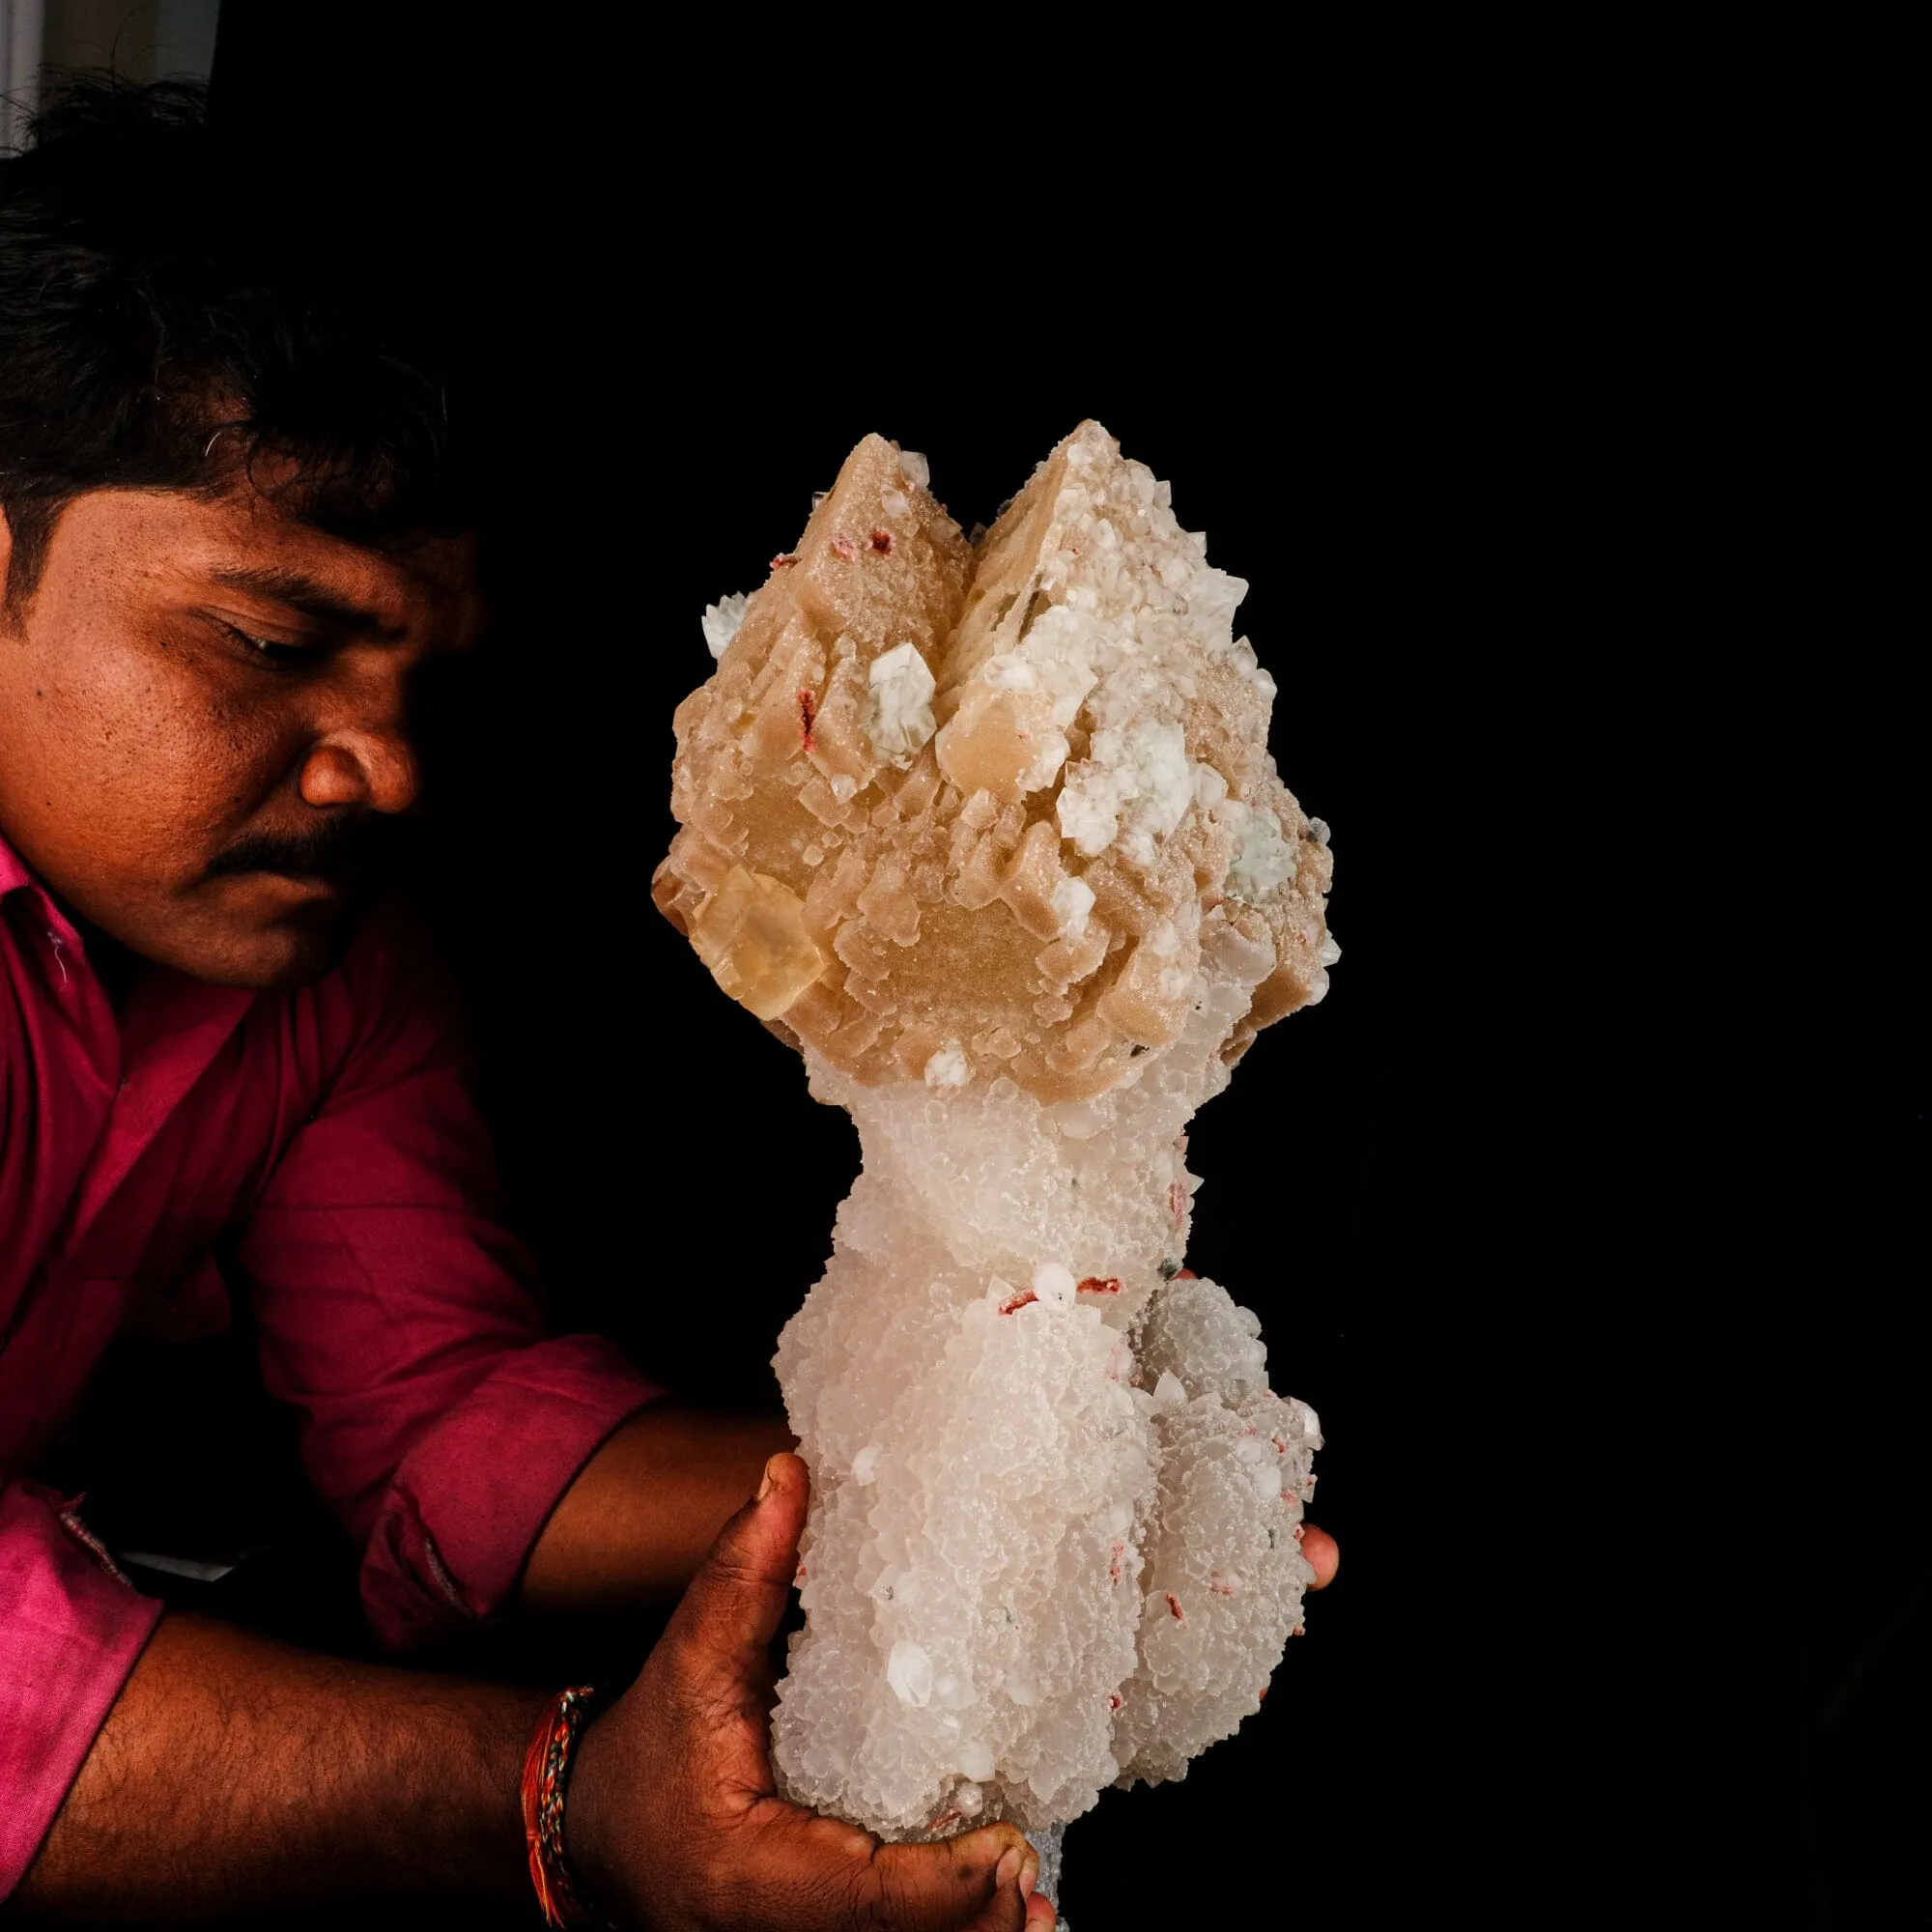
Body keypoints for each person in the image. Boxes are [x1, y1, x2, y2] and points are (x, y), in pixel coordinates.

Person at [0, 80, 1337, 1929]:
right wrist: (567, 1807)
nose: (385, 769)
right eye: (273, 639)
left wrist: (977, 1477)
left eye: (424, 683)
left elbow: (437, 1423)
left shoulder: (331, 983)